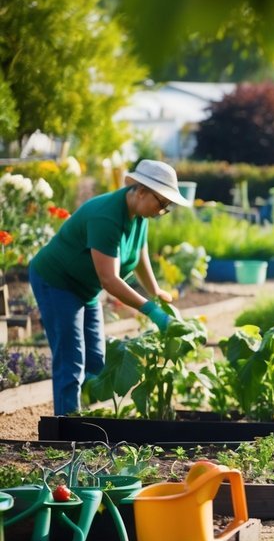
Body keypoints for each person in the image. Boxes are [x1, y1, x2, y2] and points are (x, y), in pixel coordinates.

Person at [28, 160, 190, 415]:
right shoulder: (106, 216)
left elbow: (139, 252)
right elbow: (109, 280)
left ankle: (86, 419)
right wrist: (150, 310)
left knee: (96, 359)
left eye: (166, 207)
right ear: (141, 191)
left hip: (86, 288)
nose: (161, 211)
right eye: (161, 204)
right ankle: (66, 431)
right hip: (57, 281)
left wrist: (155, 290)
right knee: (71, 361)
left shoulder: (138, 214)